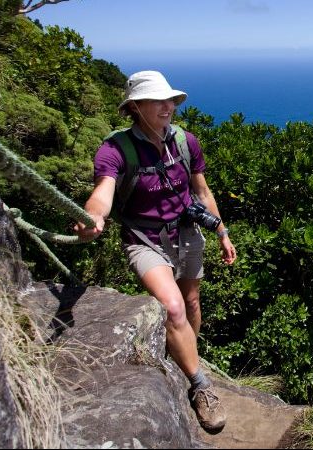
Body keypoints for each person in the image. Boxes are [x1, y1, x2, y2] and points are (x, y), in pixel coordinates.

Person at [74, 70, 236, 433]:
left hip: (187, 232)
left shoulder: (184, 142)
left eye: (169, 100)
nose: (167, 107)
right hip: (144, 239)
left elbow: (202, 192)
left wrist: (223, 231)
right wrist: (92, 216)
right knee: (174, 306)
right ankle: (200, 387)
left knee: (191, 301)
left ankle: (188, 360)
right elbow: (104, 190)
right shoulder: (115, 149)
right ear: (135, 107)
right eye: (156, 101)